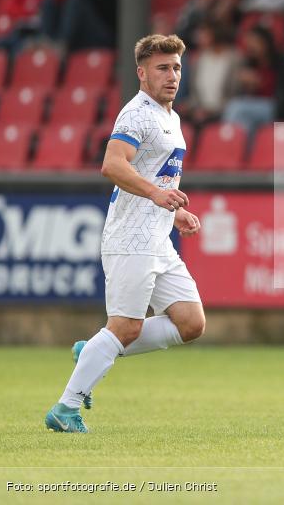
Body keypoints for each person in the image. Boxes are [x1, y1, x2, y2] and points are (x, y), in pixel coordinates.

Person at [45, 35, 205, 433]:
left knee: (191, 323)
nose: (172, 76)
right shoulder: (135, 114)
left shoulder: (171, 117)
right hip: (130, 239)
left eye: (176, 68)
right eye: (162, 68)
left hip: (159, 240)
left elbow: (159, 174)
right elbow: (112, 165)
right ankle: (66, 409)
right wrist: (156, 194)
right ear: (141, 73)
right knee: (126, 327)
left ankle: (95, 350)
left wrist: (177, 210)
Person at [223, 25, 284, 134]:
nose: (250, 46)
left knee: (236, 108)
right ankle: (245, 148)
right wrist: (248, 86)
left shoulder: (282, 63)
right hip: (256, 108)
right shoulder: (249, 64)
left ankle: (230, 140)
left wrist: (260, 82)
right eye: (248, 43)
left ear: (265, 42)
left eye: (254, 42)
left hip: (278, 108)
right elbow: (244, 95)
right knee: (245, 122)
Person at [185, 21, 240, 129]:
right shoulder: (199, 59)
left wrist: (212, 111)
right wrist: (195, 108)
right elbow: (195, 93)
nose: (199, 37)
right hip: (200, 111)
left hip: (223, 111)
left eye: (204, 33)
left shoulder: (234, 59)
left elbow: (235, 93)